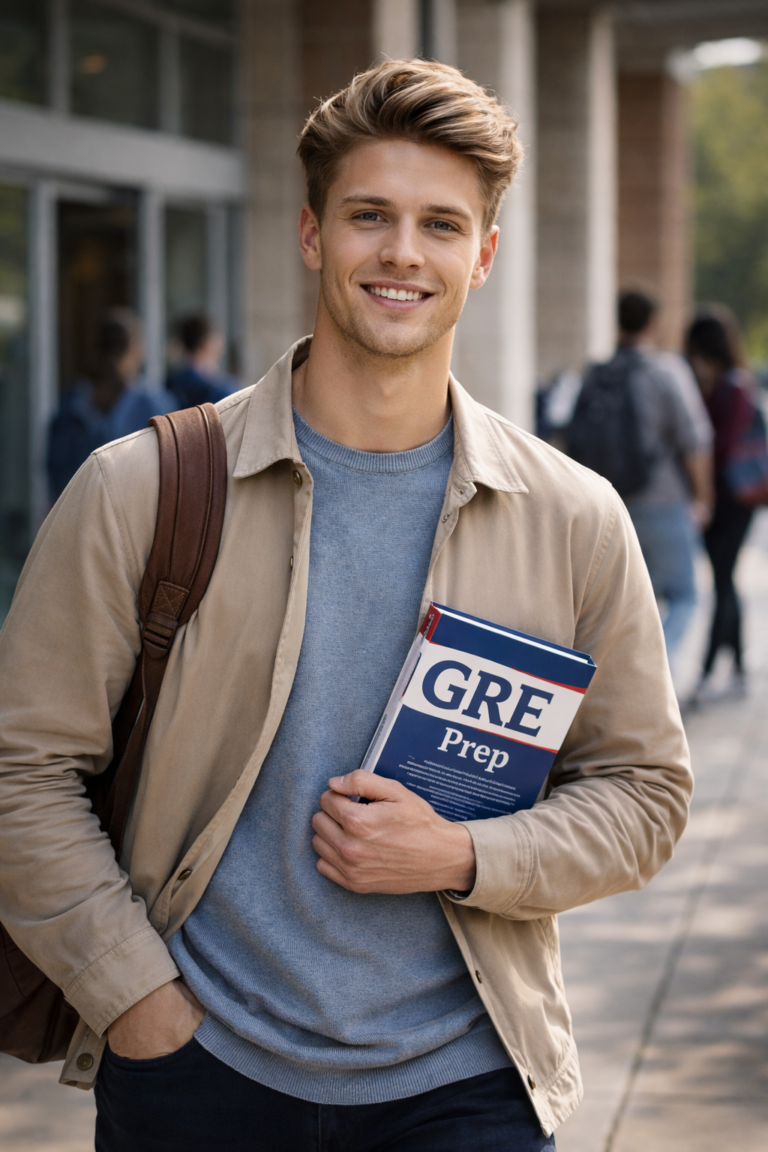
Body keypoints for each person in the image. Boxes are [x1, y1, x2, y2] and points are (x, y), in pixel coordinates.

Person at [0, 60, 692, 1151]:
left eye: (441, 224)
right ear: (314, 233)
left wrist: (468, 859)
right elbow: (21, 770)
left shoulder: (572, 517)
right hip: (196, 1074)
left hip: (470, 1088)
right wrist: (136, 1001)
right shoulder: (140, 489)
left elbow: (646, 793)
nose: (404, 252)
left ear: (486, 255)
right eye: (371, 215)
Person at [607, 291, 714, 656]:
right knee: (684, 596)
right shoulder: (667, 372)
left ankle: (630, 683)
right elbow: (695, 440)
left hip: (609, 503)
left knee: (635, 605)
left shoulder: (599, 374)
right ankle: (653, 679)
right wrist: (702, 498)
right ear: (654, 324)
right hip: (662, 499)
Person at [686, 311, 757, 699]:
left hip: (731, 502)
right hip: (731, 500)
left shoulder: (732, 388)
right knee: (726, 581)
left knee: (724, 581)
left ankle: (710, 668)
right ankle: (739, 667)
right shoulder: (730, 385)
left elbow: (719, 446)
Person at [46, 309, 174, 502]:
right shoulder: (155, 405)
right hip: (129, 522)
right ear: (138, 348)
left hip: (81, 517)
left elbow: (55, 474)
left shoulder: (72, 402)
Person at [165, 312, 239, 409]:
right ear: (206, 342)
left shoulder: (170, 382)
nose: (221, 343)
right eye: (218, 338)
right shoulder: (222, 390)